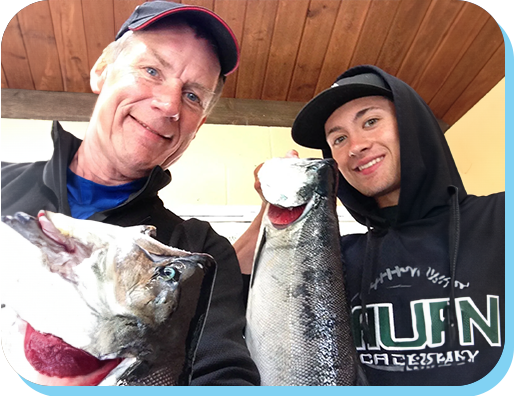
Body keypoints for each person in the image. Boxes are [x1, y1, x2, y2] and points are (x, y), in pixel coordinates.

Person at [1, 1, 260, 386]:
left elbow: (224, 374)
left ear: (197, 125)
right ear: (102, 71)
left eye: (192, 96)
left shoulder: (197, 251)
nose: (169, 104)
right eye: (152, 70)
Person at [235, 65, 504, 385]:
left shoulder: (501, 217)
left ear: (412, 124)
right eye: (338, 138)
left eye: (371, 121)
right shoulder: (338, 259)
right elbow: (225, 288)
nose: (355, 146)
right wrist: (275, 202)